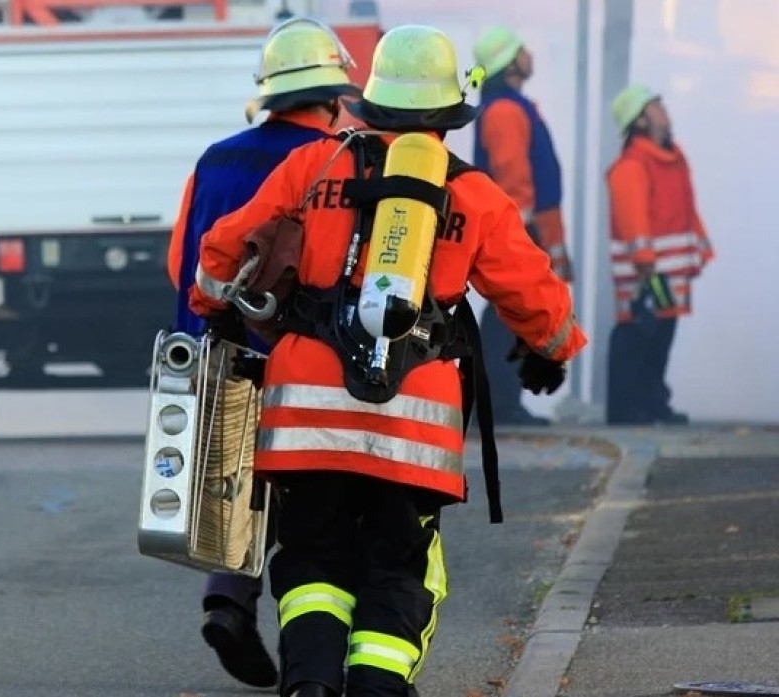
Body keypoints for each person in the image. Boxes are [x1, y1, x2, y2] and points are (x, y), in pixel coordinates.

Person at [189, 24, 587, 697]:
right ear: (446, 112)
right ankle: (377, 683)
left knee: (312, 555)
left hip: (306, 409)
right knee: (400, 563)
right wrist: (554, 351)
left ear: (370, 102)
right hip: (415, 419)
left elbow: (226, 245)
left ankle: (311, 680)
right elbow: (534, 293)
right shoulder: (474, 194)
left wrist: (211, 303)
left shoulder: (313, 166)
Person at [166, 16, 360, 689]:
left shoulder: (216, 158)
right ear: (334, 95)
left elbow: (181, 265)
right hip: (307, 356)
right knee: (310, 502)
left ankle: (227, 599)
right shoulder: (337, 162)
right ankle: (319, 649)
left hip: (216, 345)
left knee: (239, 484)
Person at [470, 25, 575, 426]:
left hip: (527, 229)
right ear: (510, 62)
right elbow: (513, 179)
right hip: (520, 231)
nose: (529, 54)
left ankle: (503, 401)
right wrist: (525, 238)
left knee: (512, 316)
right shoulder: (505, 110)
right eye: (522, 50)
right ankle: (499, 403)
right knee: (507, 318)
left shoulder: (509, 106)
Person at [604, 84, 711, 425]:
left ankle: (651, 403)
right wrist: (646, 265)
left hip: (668, 271)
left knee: (660, 337)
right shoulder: (632, 166)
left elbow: (686, 211)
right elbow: (634, 221)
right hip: (646, 274)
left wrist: (699, 250)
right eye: (655, 105)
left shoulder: (672, 160)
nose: (664, 110)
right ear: (640, 120)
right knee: (637, 335)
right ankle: (627, 408)